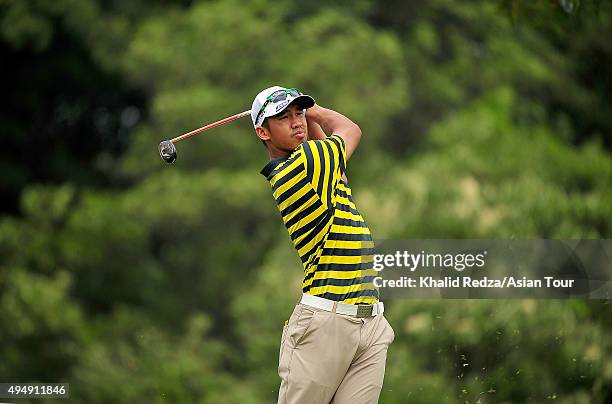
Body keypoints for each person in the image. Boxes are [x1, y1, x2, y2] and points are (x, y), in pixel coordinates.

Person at [253, 86, 395, 404]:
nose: (297, 122)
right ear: (263, 131)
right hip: (325, 325)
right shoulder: (301, 165)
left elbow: (333, 157)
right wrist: (313, 107)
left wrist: (303, 114)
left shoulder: (318, 165)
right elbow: (349, 130)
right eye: (283, 118)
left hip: (369, 322)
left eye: (298, 114)